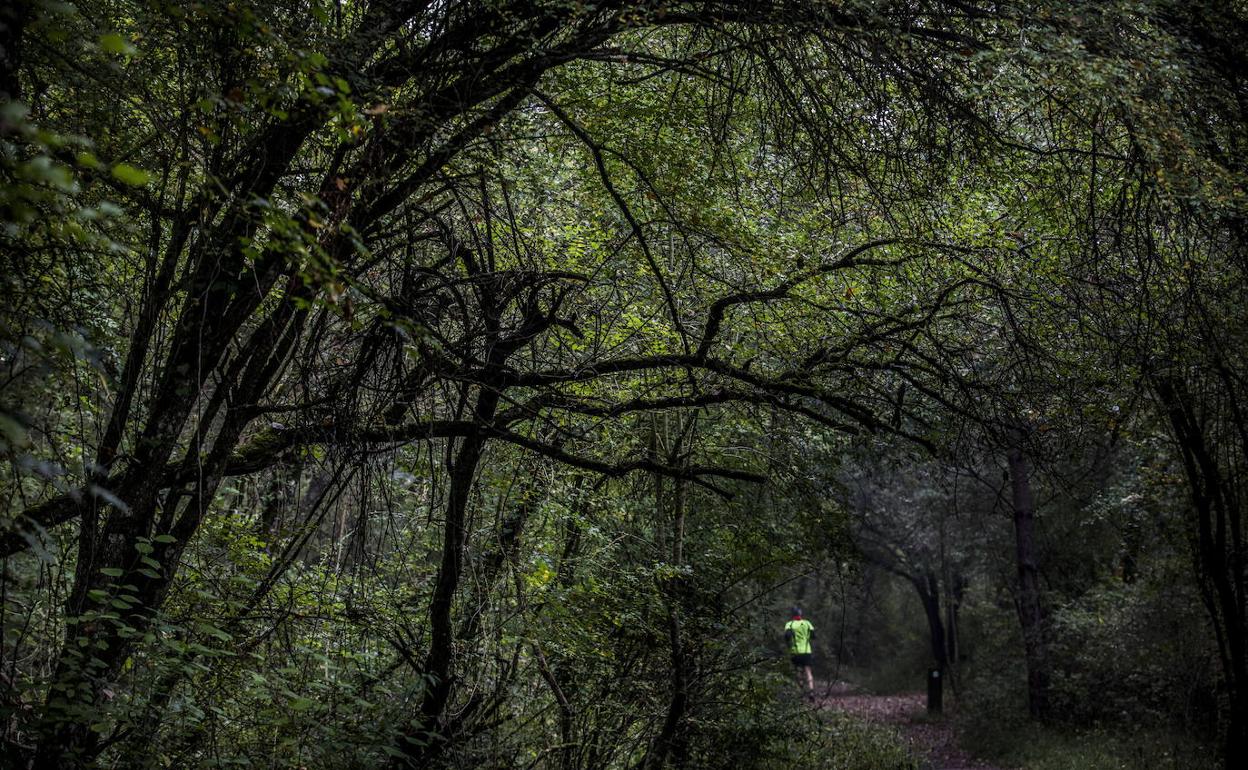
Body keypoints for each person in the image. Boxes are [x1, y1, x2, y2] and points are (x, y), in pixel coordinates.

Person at [784, 607, 815, 693]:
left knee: (798, 671)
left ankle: (801, 690)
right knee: (808, 671)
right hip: (806, 651)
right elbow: (813, 636)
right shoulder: (807, 623)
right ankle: (811, 690)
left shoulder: (789, 624)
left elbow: (787, 637)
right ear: (801, 614)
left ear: (792, 615)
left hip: (795, 652)